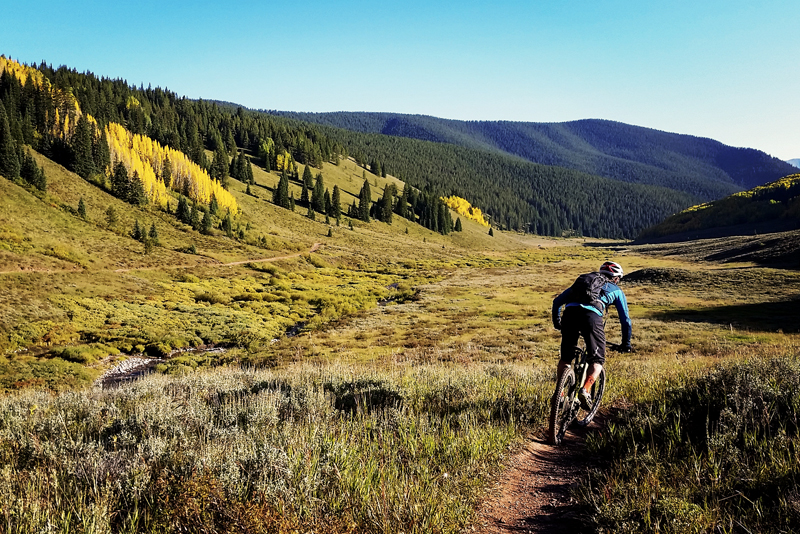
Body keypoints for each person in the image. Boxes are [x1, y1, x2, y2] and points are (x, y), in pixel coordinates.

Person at [552, 261, 632, 410]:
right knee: (597, 360)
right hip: (591, 318)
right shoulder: (615, 289)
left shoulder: (582, 284)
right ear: (615, 278)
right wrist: (626, 343)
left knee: (565, 358)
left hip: (569, 315)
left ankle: (560, 394)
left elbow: (557, 302)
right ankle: (585, 390)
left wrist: (558, 324)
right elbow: (625, 320)